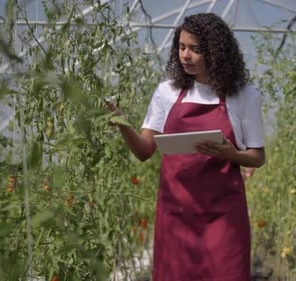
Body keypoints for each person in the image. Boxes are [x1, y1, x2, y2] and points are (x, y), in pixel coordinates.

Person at [107, 12, 265, 281]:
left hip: (223, 217)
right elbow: (145, 150)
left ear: (215, 52)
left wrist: (232, 154)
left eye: (195, 49)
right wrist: (122, 124)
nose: (185, 56)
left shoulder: (243, 96)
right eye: (181, 47)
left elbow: (257, 157)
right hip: (176, 215)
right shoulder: (166, 92)